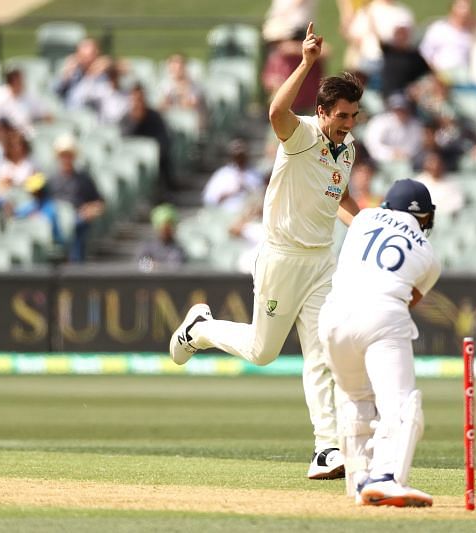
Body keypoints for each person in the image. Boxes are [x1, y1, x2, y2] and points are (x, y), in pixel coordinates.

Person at [169, 22, 363, 480]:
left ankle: (325, 449)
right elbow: (277, 111)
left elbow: (341, 199)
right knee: (262, 352)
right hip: (281, 257)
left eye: (354, 116)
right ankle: (201, 328)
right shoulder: (303, 136)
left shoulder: (347, 148)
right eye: (342, 116)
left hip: (321, 262)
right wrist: (307, 63)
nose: (348, 124)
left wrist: (370, 225)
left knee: (322, 355)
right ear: (322, 111)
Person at [318, 178, 440, 507]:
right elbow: (407, 300)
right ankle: (386, 478)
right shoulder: (429, 254)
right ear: (425, 217)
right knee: (401, 405)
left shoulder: (364, 219)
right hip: (383, 314)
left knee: (355, 398)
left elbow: (342, 201)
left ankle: (359, 480)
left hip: (332, 318)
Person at [46, 134, 104, 262]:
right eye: (63, 155)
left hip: (77, 218)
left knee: (78, 225)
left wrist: (90, 210)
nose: (66, 158)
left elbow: (99, 203)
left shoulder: (84, 179)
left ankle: (76, 266)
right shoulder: (51, 179)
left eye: (69, 155)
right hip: (56, 220)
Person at [202, 139, 265, 212]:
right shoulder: (222, 174)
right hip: (226, 215)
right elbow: (209, 199)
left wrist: (248, 189)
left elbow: (261, 195)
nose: (239, 157)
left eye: (242, 153)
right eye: (236, 151)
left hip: (250, 214)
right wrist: (230, 193)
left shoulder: (255, 174)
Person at [136, 203, 187, 272]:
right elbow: (141, 264)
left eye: (168, 228)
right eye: (163, 228)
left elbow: (175, 266)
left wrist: (156, 266)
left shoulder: (178, 249)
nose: (165, 231)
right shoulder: (147, 246)